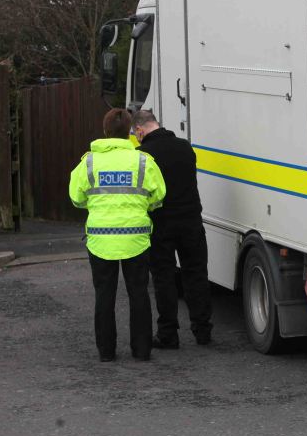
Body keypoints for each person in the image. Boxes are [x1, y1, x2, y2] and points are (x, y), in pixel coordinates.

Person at [69, 108, 166, 362]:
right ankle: (142, 350)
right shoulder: (144, 161)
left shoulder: (89, 162)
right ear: (130, 133)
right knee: (139, 293)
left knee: (104, 295)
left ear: (105, 131)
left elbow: (76, 197)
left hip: (101, 240)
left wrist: (94, 205)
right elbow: (158, 196)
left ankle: (106, 351)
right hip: (136, 239)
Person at [131, 110, 213, 348]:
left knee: (163, 278)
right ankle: (203, 330)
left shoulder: (143, 155)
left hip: (161, 224)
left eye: (136, 134)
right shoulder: (185, 147)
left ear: (140, 129)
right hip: (191, 221)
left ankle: (168, 333)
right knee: (196, 274)